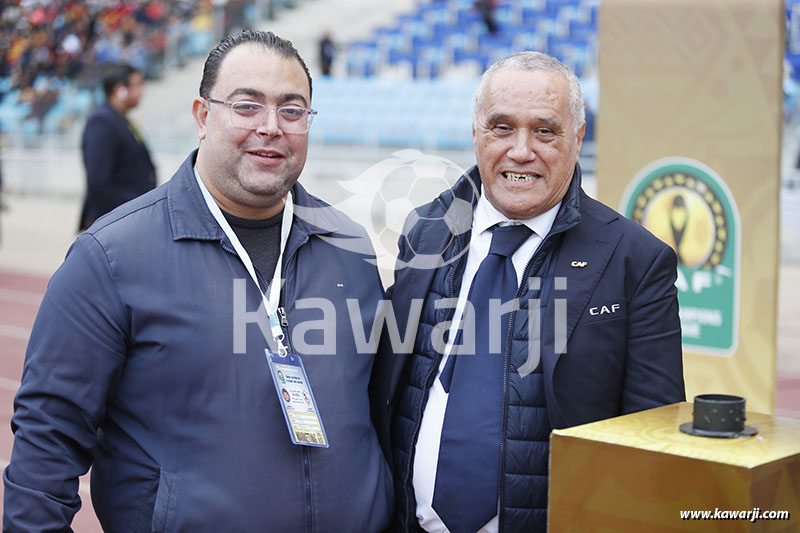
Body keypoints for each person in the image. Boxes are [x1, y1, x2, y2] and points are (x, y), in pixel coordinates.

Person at [5, 30, 393, 531]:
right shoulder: (111, 259)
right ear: (203, 116)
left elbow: (383, 412)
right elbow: (48, 439)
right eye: (247, 105)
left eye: (292, 110)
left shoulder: (349, 248)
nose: (271, 126)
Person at [370, 51, 685, 532]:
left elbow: (651, 436)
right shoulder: (426, 229)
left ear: (577, 138)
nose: (521, 151)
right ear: (476, 132)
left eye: (544, 131)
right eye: (502, 128)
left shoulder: (635, 260)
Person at [78, 63, 156, 231]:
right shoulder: (101, 122)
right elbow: (99, 181)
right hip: (114, 223)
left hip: (127, 219)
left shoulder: (121, 120)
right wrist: (136, 208)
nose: (142, 91)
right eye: (138, 85)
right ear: (120, 90)